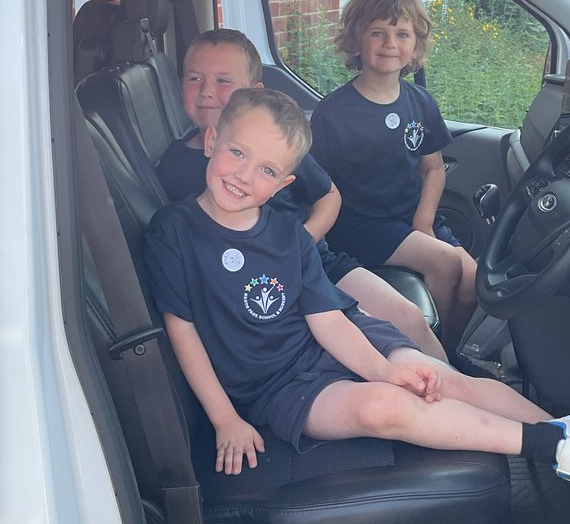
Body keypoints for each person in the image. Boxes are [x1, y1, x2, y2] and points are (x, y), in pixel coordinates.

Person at [143, 88, 570, 524]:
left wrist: (385, 367)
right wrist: (225, 417)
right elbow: (182, 330)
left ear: (284, 185)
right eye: (235, 153)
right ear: (211, 141)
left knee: (439, 377)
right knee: (386, 410)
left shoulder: (289, 234)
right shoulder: (174, 231)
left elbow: (327, 321)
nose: (242, 175)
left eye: (265, 170)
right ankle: (557, 449)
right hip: (276, 387)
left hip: (334, 339)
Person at [156, 27, 449, 360]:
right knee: (364, 340)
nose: (207, 92)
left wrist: (302, 243)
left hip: (317, 262)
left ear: (255, 91)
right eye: (194, 79)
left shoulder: (276, 145)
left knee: (409, 319)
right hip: (253, 284)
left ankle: (459, 392)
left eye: (224, 81)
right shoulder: (173, 168)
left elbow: (329, 197)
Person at [310, 0, 477, 350]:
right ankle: (442, 355)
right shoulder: (333, 113)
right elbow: (318, 187)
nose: (390, 43)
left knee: (475, 279)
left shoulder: (419, 102)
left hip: (410, 219)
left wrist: (424, 222)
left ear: (415, 47)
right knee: (446, 262)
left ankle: (453, 345)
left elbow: (432, 169)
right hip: (361, 226)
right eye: (377, 33)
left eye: (402, 34)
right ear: (356, 41)